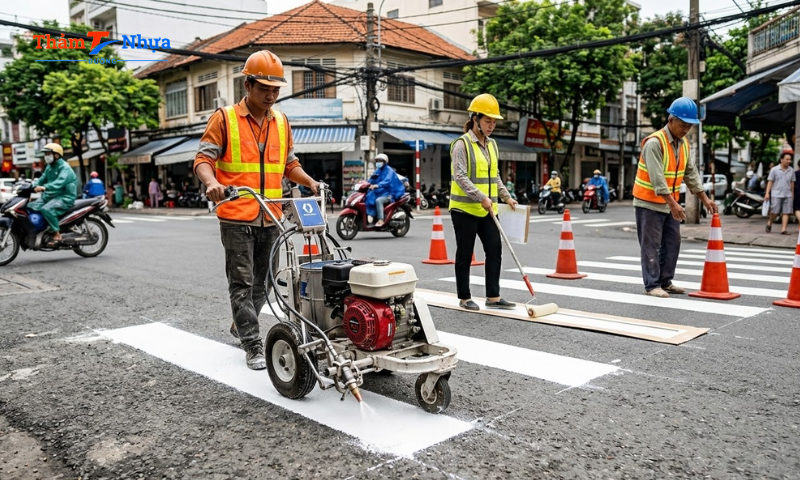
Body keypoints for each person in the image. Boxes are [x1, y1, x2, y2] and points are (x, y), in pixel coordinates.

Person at [194, 49, 320, 370]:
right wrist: (211, 183)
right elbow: (203, 160)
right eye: (264, 88)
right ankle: (251, 343)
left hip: (272, 214)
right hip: (236, 215)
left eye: (276, 89)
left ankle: (240, 322)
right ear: (247, 85)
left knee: (264, 283)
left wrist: (309, 181)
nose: (271, 95)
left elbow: (289, 164)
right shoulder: (224, 119)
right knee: (242, 283)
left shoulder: (281, 121)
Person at [632, 97, 717, 298]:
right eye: (683, 125)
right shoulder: (654, 143)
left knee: (673, 242)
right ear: (671, 120)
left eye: (689, 126)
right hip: (649, 203)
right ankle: (652, 285)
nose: (686, 129)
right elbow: (657, 180)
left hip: (669, 204)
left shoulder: (683, 144)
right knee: (651, 244)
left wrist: (705, 199)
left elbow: (691, 173)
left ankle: (665, 281)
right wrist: (674, 204)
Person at [449, 93, 518, 311]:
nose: (492, 125)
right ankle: (464, 297)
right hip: (465, 209)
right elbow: (460, 176)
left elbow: (494, 176)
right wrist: (481, 197)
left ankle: (493, 297)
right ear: (476, 119)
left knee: (495, 249)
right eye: (488, 121)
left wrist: (507, 197)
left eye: (494, 121)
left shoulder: (493, 145)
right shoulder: (462, 144)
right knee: (465, 253)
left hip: (489, 209)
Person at [28, 143, 77, 247]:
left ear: (57, 155)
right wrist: (30, 185)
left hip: (64, 197)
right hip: (51, 196)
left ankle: (57, 234)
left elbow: (59, 182)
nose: (46, 156)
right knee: (30, 206)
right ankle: (43, 229)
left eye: (48, 153)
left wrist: (45, 187)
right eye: (45, 154)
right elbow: (41, 179)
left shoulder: (65, 167)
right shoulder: (49, 167)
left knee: (47, 209)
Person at [365, 153, 405, 227]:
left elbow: (387, 181)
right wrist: (366, 184)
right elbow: (371, 179)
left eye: (380, 161)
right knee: (368, 196)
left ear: (385, 162)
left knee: (378, 200)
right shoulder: (378, 170)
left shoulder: (389, 170)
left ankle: (380, 220)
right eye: (377, 161)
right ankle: (371, 214)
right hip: (380, 191)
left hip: (390, 193)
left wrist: (377, 185)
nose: (378, 163)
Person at [765, 152, 795, 235]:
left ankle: (783, 229)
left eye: (790, 159)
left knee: (786, 212)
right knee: (775, 211)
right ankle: (770, 222)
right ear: (781, 160)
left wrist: (792, 193)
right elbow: (770, 181)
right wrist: (767, 193)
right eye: (787, 159)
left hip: (788, 194)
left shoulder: (791, 170)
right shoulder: (774, 169)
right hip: (776, 194)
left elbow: (792, 182)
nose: (789, 161)